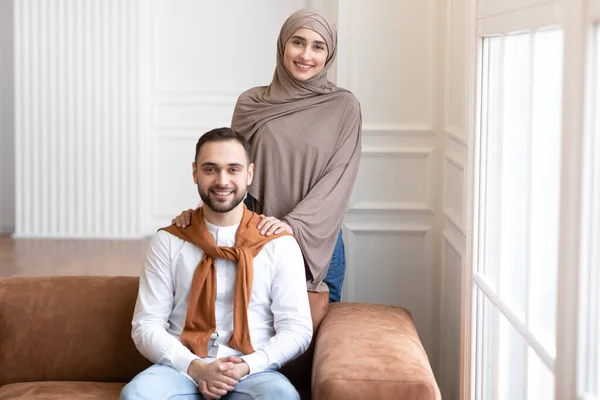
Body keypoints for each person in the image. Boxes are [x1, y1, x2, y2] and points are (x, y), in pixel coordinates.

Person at [174, 10, 362, 303]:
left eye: (318, 46)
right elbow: (232, 171)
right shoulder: (251, 103)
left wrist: (293, 225)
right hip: (254, 234)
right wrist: (200, 214)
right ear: (282, 45)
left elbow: (338, 178)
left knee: (318, 337)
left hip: (317, 238)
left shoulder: (343, 106)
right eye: (297, 42)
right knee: (249, 328)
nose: (306, 55)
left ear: (329, 53)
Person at [121, 128, 312, 400]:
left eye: (233, 169)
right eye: (210, 169)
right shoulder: (170, 240)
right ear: (195, 172)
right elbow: (146, 325)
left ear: (249, 173)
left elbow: (297, 329)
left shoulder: (277, 243)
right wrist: (195, 367)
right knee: (137, 395)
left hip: (254, 371)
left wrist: (247, 366)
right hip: (181, 369)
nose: (222, 181)